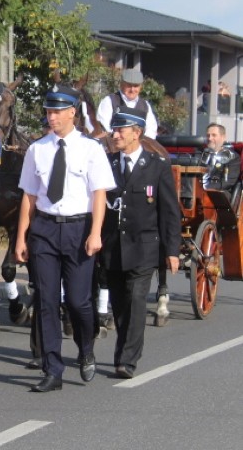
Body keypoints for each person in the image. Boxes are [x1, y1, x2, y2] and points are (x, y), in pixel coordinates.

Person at [14, 84, 116, 393]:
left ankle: (86, 348)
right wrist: (21, 238)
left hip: (78, 229)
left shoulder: (91, 149)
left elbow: (98, 194)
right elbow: (29, 198)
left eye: (57, 111)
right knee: (46, 302)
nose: (52, 116)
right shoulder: (37, 149)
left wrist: (96, 232)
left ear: (72, 112)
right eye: (48, 110)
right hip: (44, 229)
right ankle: (52, 369)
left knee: (78, 301)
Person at [100, 108, 180, 379]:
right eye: (114, 129)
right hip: (113, 246)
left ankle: (127, 360)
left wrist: (172, 251)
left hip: (144, 246)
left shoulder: (157, 167)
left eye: (121, 130)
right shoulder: (106, 164)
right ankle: (125, 350)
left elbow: (169, 212)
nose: (115, 134)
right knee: (120, 303)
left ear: (137, 133)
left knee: (136, 299)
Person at [95, 68, 159, 139]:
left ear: (141, 87)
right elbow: (104, 127)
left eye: (136, 86)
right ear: (121, 84)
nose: (132, 89)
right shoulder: (109, 101)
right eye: (129, 85)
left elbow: (151, 129)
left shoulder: (145, 105)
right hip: (114, 145)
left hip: (139, 145)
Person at [202, 123, 241, 193]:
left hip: (219, 194)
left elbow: (228, 182)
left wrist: (205, 187)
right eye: (208, 135)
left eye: (214, 135)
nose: (210, 138)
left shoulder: (232, 157)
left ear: (223, 137)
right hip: (197, 191)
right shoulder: (200, 154)